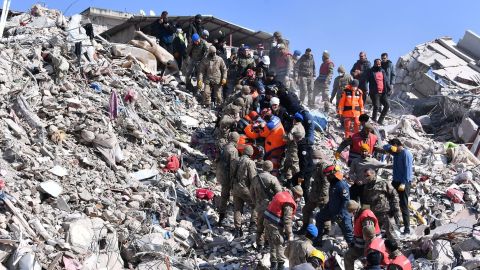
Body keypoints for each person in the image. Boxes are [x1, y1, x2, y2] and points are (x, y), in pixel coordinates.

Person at [264, 185, 303, 270]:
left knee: (272, 244)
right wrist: (290, 235)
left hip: (267, 220)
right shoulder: (289, 202)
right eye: (299, 197)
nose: (299, 199)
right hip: (274, 223)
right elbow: (287, 220)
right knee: (279, 243)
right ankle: (280, 265)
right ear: (296, 194)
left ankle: (273, 264)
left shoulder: (282, 193)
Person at [314, 165, 353, 247]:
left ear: (333, 174)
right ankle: (318, 239)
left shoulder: (341, 185)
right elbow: (332, 198)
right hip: (331, 210)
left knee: (347, 231)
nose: (327, 177)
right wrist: (327, 207)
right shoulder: (333, 183)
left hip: (342, 213)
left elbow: (346, 201)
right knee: (319, 217)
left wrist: (341, 214)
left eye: (328, 175)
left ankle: (353, 250)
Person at [383, 139, 414, 235]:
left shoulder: (406, 154)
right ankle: (395, 224)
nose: (391, 151)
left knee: (403, 205)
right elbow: (384, 147)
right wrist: (391, 147)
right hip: (395, 181)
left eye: (393, 147)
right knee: (392, 202)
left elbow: (408, 170)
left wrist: (404, 183)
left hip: (404, 182)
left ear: (396, 145)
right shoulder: (396, 153)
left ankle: (407, 229)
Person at [250, 160, 283, 250]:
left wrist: (256, 203)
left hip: (259, 205)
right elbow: (279, 193)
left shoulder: (255, 178)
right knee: (269, 225)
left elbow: (251, 193)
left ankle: (259, 244)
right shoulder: (273, 179)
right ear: (271, 168)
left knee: (260, 225)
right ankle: (268, 243)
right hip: (270, 206)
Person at [363, 168, 401, 244]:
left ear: (373, 174)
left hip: (385, 213)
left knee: (391, 233)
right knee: (373, 234)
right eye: (364, 176)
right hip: (374, 215)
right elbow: (365, 200)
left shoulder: (383, 183)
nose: (366, 178)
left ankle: (398, 249)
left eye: (368, 175)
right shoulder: (366, 186)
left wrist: (395, 209)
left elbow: (394, 195)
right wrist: (366, 214)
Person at [298, 150, 330, 235]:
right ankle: (305, 227)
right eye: (313, 158)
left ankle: (326, 230)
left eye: (315, 158)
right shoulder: (317, 166)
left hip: (322, 196)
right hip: (315, 194)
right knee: (306, 209)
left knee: (324, 213)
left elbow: (326, 183)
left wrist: (323, 196)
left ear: (319, 158)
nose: (313, 160)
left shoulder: (324, 166)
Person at [344, 200, 381, 270]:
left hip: (370, 248)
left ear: (354, 210)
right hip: (361, 245)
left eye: (351, 212)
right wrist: (353, 242)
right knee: (347, 255)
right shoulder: (358, 214)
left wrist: (366, 254)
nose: (350, 214)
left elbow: (370, 237)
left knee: (368, 263)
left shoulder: (367, 218)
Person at [230, 145, 258, 237]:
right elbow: (253, 178)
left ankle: (238, 230)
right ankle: (253, 225)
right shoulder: (250, 162)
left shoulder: (235, 160)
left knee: (237, 208)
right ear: (251, 153)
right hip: (245, 188)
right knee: (256, 205)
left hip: (235, 187)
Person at [217, 132, 240, 225]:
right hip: (228, 176)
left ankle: (222, 215)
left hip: (221, 174)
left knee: (224, 194)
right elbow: (233, 166)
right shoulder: (233, 150)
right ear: (236, 140)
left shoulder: (225, 146)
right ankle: (222, 217)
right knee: (226, 196)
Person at [283, 113, 305, 183]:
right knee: (288, 162)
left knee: (294, 165)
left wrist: (283, 136)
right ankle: (287, 177)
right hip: (299, 147)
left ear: (295, 120)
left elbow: (289, 137)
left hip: (293, 148)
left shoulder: (295, 127)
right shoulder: (301, 126)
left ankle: (298, 182)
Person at [368, 59, 390, 124]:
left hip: (383, 92)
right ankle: (374, 120)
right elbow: (366, 80)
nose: (378, 65)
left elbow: (386, 81)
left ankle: (380, 121)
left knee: (387, 105)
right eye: (377, 64)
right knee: (376, 106)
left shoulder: (382, 71)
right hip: (374, 92)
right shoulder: (371, 71)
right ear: (374, 64)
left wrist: (389, 88)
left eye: (379, 64)